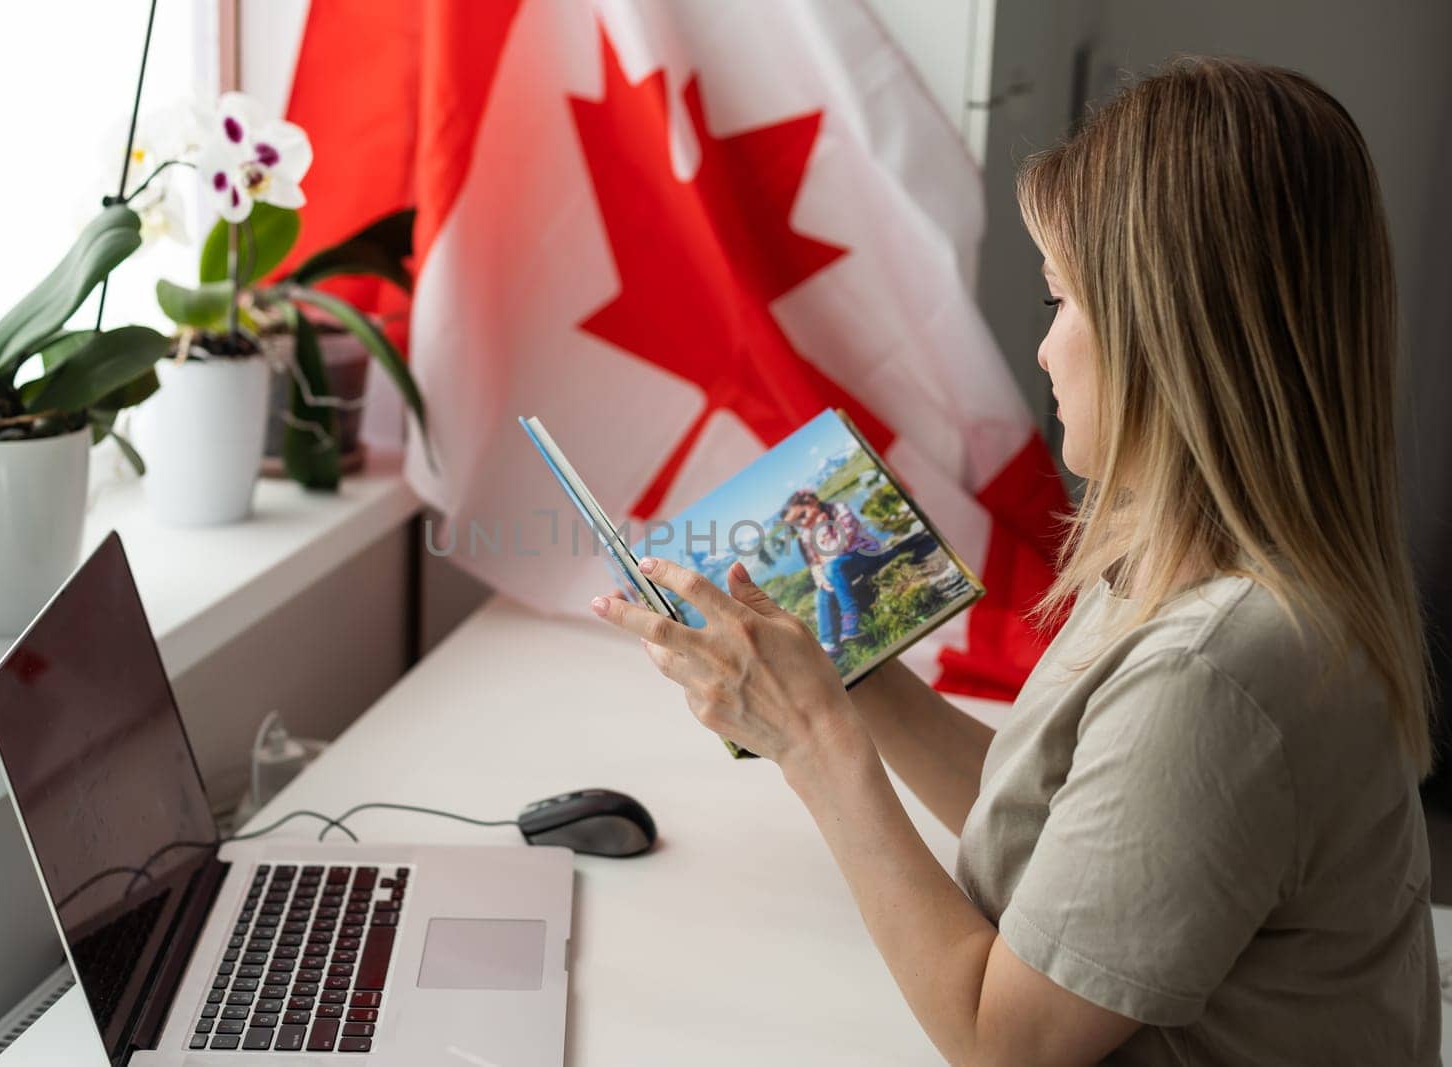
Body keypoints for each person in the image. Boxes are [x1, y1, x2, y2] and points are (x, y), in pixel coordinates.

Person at [590, 56, 1439, 1064]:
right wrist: (851, 677)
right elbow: (1065, 824)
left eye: (1059, 302)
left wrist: (812, 737)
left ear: (1164, 334)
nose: (1043, 350)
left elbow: (1007, 1046)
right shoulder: (1187, 565)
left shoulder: (1214, 674)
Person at [779, 488, 882, 653]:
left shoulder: (839, 510)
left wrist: (824, 529)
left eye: (802, 515)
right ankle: (828, 645)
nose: (803, 524)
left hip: (864, 556)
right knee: (822, 592)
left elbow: (842, 546)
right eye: (796, 524)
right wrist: (822, 581)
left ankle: (851, 622)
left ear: (812, 502)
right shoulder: (806, 534)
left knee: (833, 568)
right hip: (837, 569)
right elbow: (814, 564)